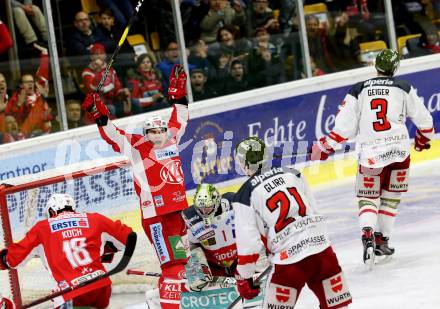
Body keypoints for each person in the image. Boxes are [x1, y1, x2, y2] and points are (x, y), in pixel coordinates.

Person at [311, 49, 434, 266]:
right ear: (395, 68)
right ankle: (381, 239)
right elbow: (425, 121)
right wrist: (423, 140)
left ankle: (368, 234)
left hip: (371, 155)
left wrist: (327, 146)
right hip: (398, 152)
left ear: (375, 65)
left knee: (368, 198)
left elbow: (344, 127)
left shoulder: (358, 90)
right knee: (390, 198)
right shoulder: (403, 87)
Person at [82, 64, 190, 309]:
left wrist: (178, 96)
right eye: (152, 130)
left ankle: (164, 298)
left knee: (183, 261)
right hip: (156, 218)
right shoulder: (136, 145)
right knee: (173, 265)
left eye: (160, 129)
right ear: (145, 132)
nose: (157, 133)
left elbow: (180, 117)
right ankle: (166, 303)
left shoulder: (173, 138)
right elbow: (113, 134)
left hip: (175, 214)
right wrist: (100, 116)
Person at [233, 137, 352, 308]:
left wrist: (244, 276)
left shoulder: (244, 195)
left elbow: (249, 245)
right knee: (338, 306)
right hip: (322, 252)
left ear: (243, 164)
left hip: (289, 262)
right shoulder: (292, 173)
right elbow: (314, 211)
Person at [0, 193, 136, 308]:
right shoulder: (95, 219)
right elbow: (129, 236)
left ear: (52, 212)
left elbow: (13, 260)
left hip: (70, 292)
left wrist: (3, 259)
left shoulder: (42, 228)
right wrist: (105, 249)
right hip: (101, 286)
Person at [181, 183, 236, 291]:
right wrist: (196, 268)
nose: (204, 212)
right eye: (200, 208)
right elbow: (186, 244)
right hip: (213, 264)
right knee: (199, 283)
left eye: (208, 208)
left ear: (216, 202)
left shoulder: (234, 202)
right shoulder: (188, 217)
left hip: (240, 257)